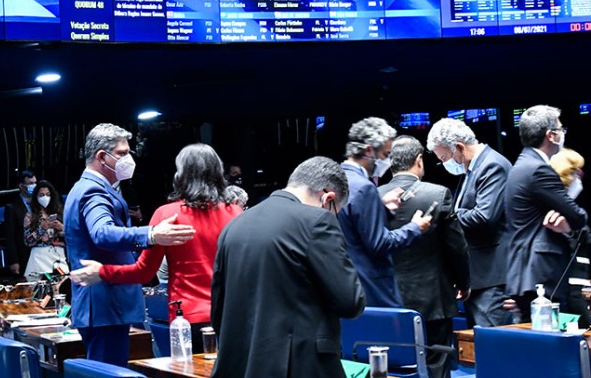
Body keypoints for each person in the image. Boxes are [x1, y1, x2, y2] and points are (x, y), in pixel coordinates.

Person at [70, 143, 242, 353]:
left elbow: (144, 272)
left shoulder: (168, 215)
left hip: (187, 319)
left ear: (181, 174)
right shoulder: (236, 214)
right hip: (233, 317)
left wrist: (103, 272)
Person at [211, 156, 365, 378]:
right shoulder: (317, 221)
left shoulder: (233, 227)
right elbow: (350, 301)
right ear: (328, 198)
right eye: (336, 211)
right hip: (300, 367)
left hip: (241, 365)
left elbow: (218, 309)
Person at [63, 123, 196, 367]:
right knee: (108, 372)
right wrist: (152, 234)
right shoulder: (93, 191)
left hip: (102, 304)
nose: (129, 159)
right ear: (101, 157)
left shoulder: (86, 187)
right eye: (122, 153)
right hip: (105, 304)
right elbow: (102, 233)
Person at [379, 136, 469, 378]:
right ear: (419, 160)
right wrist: (463, 283)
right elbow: (456, 247)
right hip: (433, 298)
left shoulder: (373, 197)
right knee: (436, 364)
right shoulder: (438, 194)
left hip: (386, 299)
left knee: (392, 366)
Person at [427, 118, 513, 327]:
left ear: (459, 147)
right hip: (479, 276)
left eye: (444, 157)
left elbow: (484, 217)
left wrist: (447, 216)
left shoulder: (492, 165)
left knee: (492, 341)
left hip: (492, 277)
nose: (444, 164)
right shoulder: (473, 169)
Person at [504, 105, 588, 321]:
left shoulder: (521, 165)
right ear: (551, 135)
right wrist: (569, 221)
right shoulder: (539, 169)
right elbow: (578, 216)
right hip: (541, 273)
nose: (563, 134)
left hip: (526, 271)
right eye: (561, 129)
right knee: (552, 336)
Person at [338, 117, 432, 307]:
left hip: (345, 283)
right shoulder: (364, 188)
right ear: (368, 151)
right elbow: (380, 243)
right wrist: (415, 228)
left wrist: (380, 208)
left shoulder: (338, 177)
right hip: (372, 287)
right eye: (386, 154)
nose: (387, 161)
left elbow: (350, 224)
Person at [549, 148, 591, 326]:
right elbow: (567, 240)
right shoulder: (553, 207)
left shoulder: (570, 206)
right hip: (566, 289)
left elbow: (578, 234)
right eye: (576, 171)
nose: (580, 176)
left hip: (578, 286)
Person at [23, 180, 68, 281]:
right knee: (37, 287)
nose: (45, 197)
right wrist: (42, 229)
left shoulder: (60, 214)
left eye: (48, 194)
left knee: (62, 285)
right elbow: (27, 241)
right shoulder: (30, 216)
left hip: (58, 257)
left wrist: (62, 228)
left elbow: (72, 237)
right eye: (41, 195)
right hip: (38, 258)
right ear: (36, 197)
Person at [3, 170, 36, 277]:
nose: (34, 186)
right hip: (24, 255)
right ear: (21, 186)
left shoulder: (39, 202)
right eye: (30, 183)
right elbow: (10, 236)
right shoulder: (12, 208)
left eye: (35, 183)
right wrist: (14, 261)